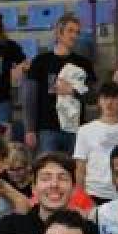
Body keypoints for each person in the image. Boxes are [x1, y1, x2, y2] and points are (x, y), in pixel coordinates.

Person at [25, 13, 97, 154]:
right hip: (47, 128)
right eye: (70, 31)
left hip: (76, 128)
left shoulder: (84, 63)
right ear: (59, 32)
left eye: (77, 32)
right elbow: (30, 98)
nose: (74, 36)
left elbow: (93, 97)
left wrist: (72, 90)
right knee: (48, 168)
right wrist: (30, 129)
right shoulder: (40, 61)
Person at [73, 82, 118, 206]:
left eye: (114, 98)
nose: (109, 103)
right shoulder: (85, 130)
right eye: (105, 98)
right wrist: (80, 195)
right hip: (93, 191)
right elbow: (80, 167)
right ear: (99, 101)